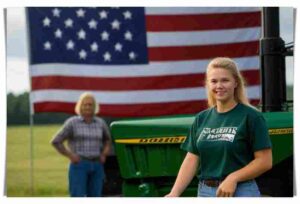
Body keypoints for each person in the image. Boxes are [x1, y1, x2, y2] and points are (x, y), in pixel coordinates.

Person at [165, 57, 272, 197]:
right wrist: (174, 193)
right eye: (214, 81)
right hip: (205, 192)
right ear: (208, 85)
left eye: (225, 80)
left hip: (240, 190)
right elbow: (191, 159)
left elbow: (265, 161)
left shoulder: (251, 117)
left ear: (236, 83)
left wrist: (233, 178)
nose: (219, 86)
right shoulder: (201, 118)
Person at [51, 92, 112, 197]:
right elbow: (56, 141)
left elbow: (108, 140)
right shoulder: (72, 122)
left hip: (97, 166)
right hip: (79, 165)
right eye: (85, 104)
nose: (88, 107)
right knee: (77, 196)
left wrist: (104, 154)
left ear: (94, 107)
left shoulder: (100, 123)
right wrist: (70, 155)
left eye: (90, 104)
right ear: (80, 106)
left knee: (95, 197)